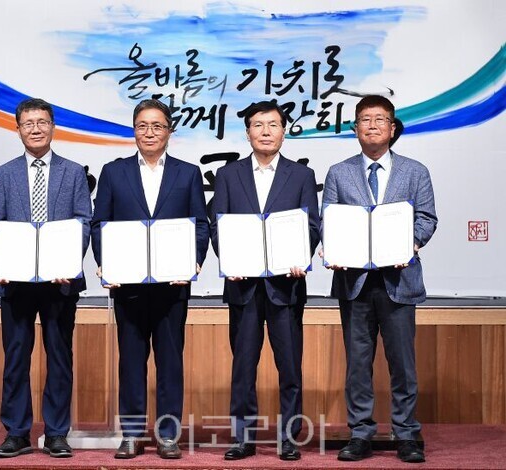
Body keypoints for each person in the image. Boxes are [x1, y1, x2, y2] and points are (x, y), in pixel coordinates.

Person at [90, 99, 209, 459]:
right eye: (142, 125)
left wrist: (193, 262)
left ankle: (168, 435)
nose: (150, 132)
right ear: (134, 131)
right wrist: (107, 264)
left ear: (170, 131)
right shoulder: (114, 172)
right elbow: (100, 224)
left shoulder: (188, 173)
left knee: (170, 363)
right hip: (128, 286)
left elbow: (200, 225)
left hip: (173, 287)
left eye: (157, 126)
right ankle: (131, 433)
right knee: (131, 362)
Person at [322, 95, 437, 463]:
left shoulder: (415, 171)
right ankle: (360, 434)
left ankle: (406, 433)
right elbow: (329, 221)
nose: (372, 126)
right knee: (358, 365)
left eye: (379, 119)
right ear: (355, 129)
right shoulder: (338, 173)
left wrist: (409, 244)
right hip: (354, 282)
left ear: (392, 127)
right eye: (365, 120)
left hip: (399, 280)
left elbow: (427, 219)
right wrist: (333, 247)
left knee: (402, 363)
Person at [209, 100, 321, 461]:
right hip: (243, 286)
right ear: (248, 133)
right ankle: (243, 437)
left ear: (284, 132)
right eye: (258, 125)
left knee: (289, 367)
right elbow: (218, 225)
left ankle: (289, 437)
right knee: (243, 367)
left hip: (285, 286)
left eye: (273, 125)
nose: (266, 132)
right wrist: (229, 259)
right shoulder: (229, 175)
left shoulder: (301, 175)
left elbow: (312, 226)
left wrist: (300, 256)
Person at [0, 98, 92, 459]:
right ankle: (16, 433)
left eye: (42, 122)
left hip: (59, 282)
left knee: (59, 356)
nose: (36, 129)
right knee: (16, 357)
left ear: (53, 127)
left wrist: (69, 261)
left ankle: (57, 433)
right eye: (28, 123)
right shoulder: (4, 173)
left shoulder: (73, 172)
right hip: (15, 282)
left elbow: (83, 221)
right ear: (18, 129)